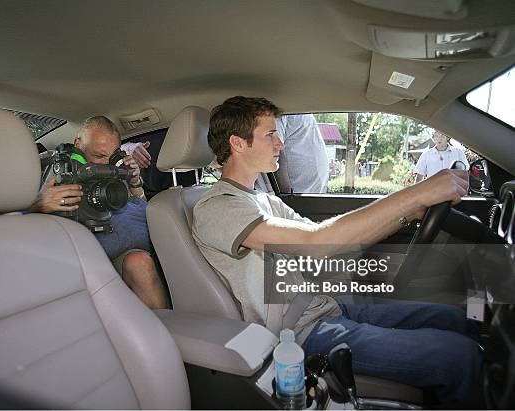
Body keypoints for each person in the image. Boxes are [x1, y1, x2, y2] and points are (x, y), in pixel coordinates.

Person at [192, 96, 481, 402]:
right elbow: (315, 244)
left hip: (321, 306)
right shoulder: (218, 207)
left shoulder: (263, 199)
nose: (280, 144)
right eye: (270, 135)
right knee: (459, 357)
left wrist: (408, 212)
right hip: (301, 332)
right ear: (238, 143)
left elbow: (332, 242)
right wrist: (415, 194)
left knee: (451, 317)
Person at [30, 116, 168, 309]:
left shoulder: (116, 173)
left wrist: (135, 184)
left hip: (158, 252)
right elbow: (12, 222)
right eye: (98, 156)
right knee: (139, 264)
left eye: (111, 156)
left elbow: (143, 212)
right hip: (102, 266)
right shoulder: (51, 170)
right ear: (78, 144)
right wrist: (38, 203)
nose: (106, 165)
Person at [275, 114, 329, 193]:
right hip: (295, 194)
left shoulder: (301, 107)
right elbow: (276, 150)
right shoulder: (283, 108)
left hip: (311, 193)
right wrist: (287, 196)